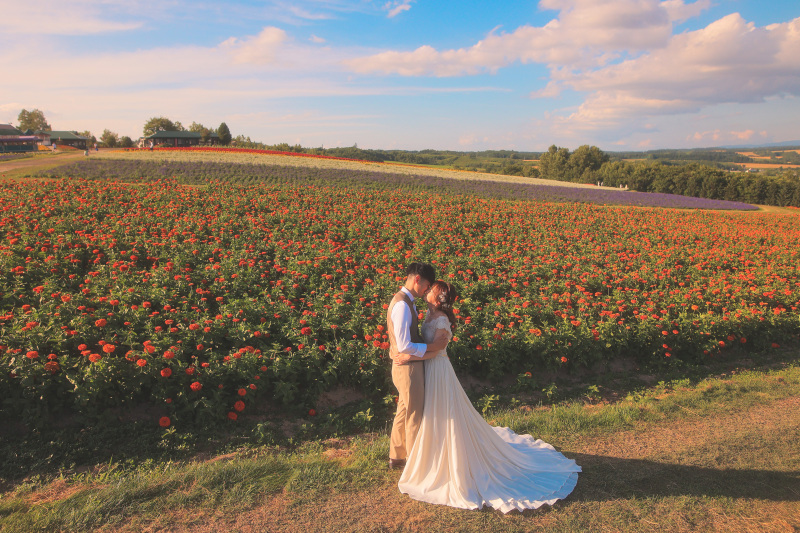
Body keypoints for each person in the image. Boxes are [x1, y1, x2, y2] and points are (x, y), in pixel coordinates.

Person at [396, 280, 581, 513]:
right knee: (434, 414)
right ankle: (433, 454)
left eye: (431, 290)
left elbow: (438, 350)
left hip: (438, 369)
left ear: (438, 297)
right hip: (429, 368)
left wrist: (410, 356)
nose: (427, 291)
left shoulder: (441, 320)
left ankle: (449, 459)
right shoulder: (430, 314)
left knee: (445, 412)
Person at [387, 262, 447, 470]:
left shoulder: (404, 301)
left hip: (405, 366)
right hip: (408, 368)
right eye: (427, 285)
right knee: (414, 414)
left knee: (404, 409)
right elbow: (404, 345)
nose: (427, 290)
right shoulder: (403, 305)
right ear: (417, 279)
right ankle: (414, 462)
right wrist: (432, 348)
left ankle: (396, 457)